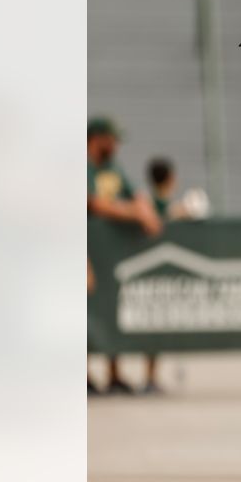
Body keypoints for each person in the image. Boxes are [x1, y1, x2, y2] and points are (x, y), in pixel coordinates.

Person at [88, 117, 162, 394]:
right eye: (112, 139)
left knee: (109, 310)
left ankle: (113, 373)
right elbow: (93, 203)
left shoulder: (112, 170)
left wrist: (144, 207)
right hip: (86, 251)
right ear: (97, 138)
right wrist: (135, 212)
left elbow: (136, 194)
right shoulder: (84, 167)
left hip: (110, 254)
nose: (116, 145)